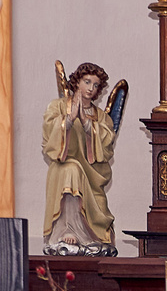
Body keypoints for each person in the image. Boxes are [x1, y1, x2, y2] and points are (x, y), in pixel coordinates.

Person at [41, 60, 117, 254]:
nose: (91, 88)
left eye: (96, 85)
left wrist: (86, 123)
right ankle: (67, 228)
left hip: (91, 177)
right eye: (87, 82)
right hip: (62, 170)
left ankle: (90, 235)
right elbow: (49, 139)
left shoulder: (101, 117)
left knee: (79, 172)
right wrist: (68, 120)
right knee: (72, 168)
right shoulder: (57, 107)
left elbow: (106, 148)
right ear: (76, 82)